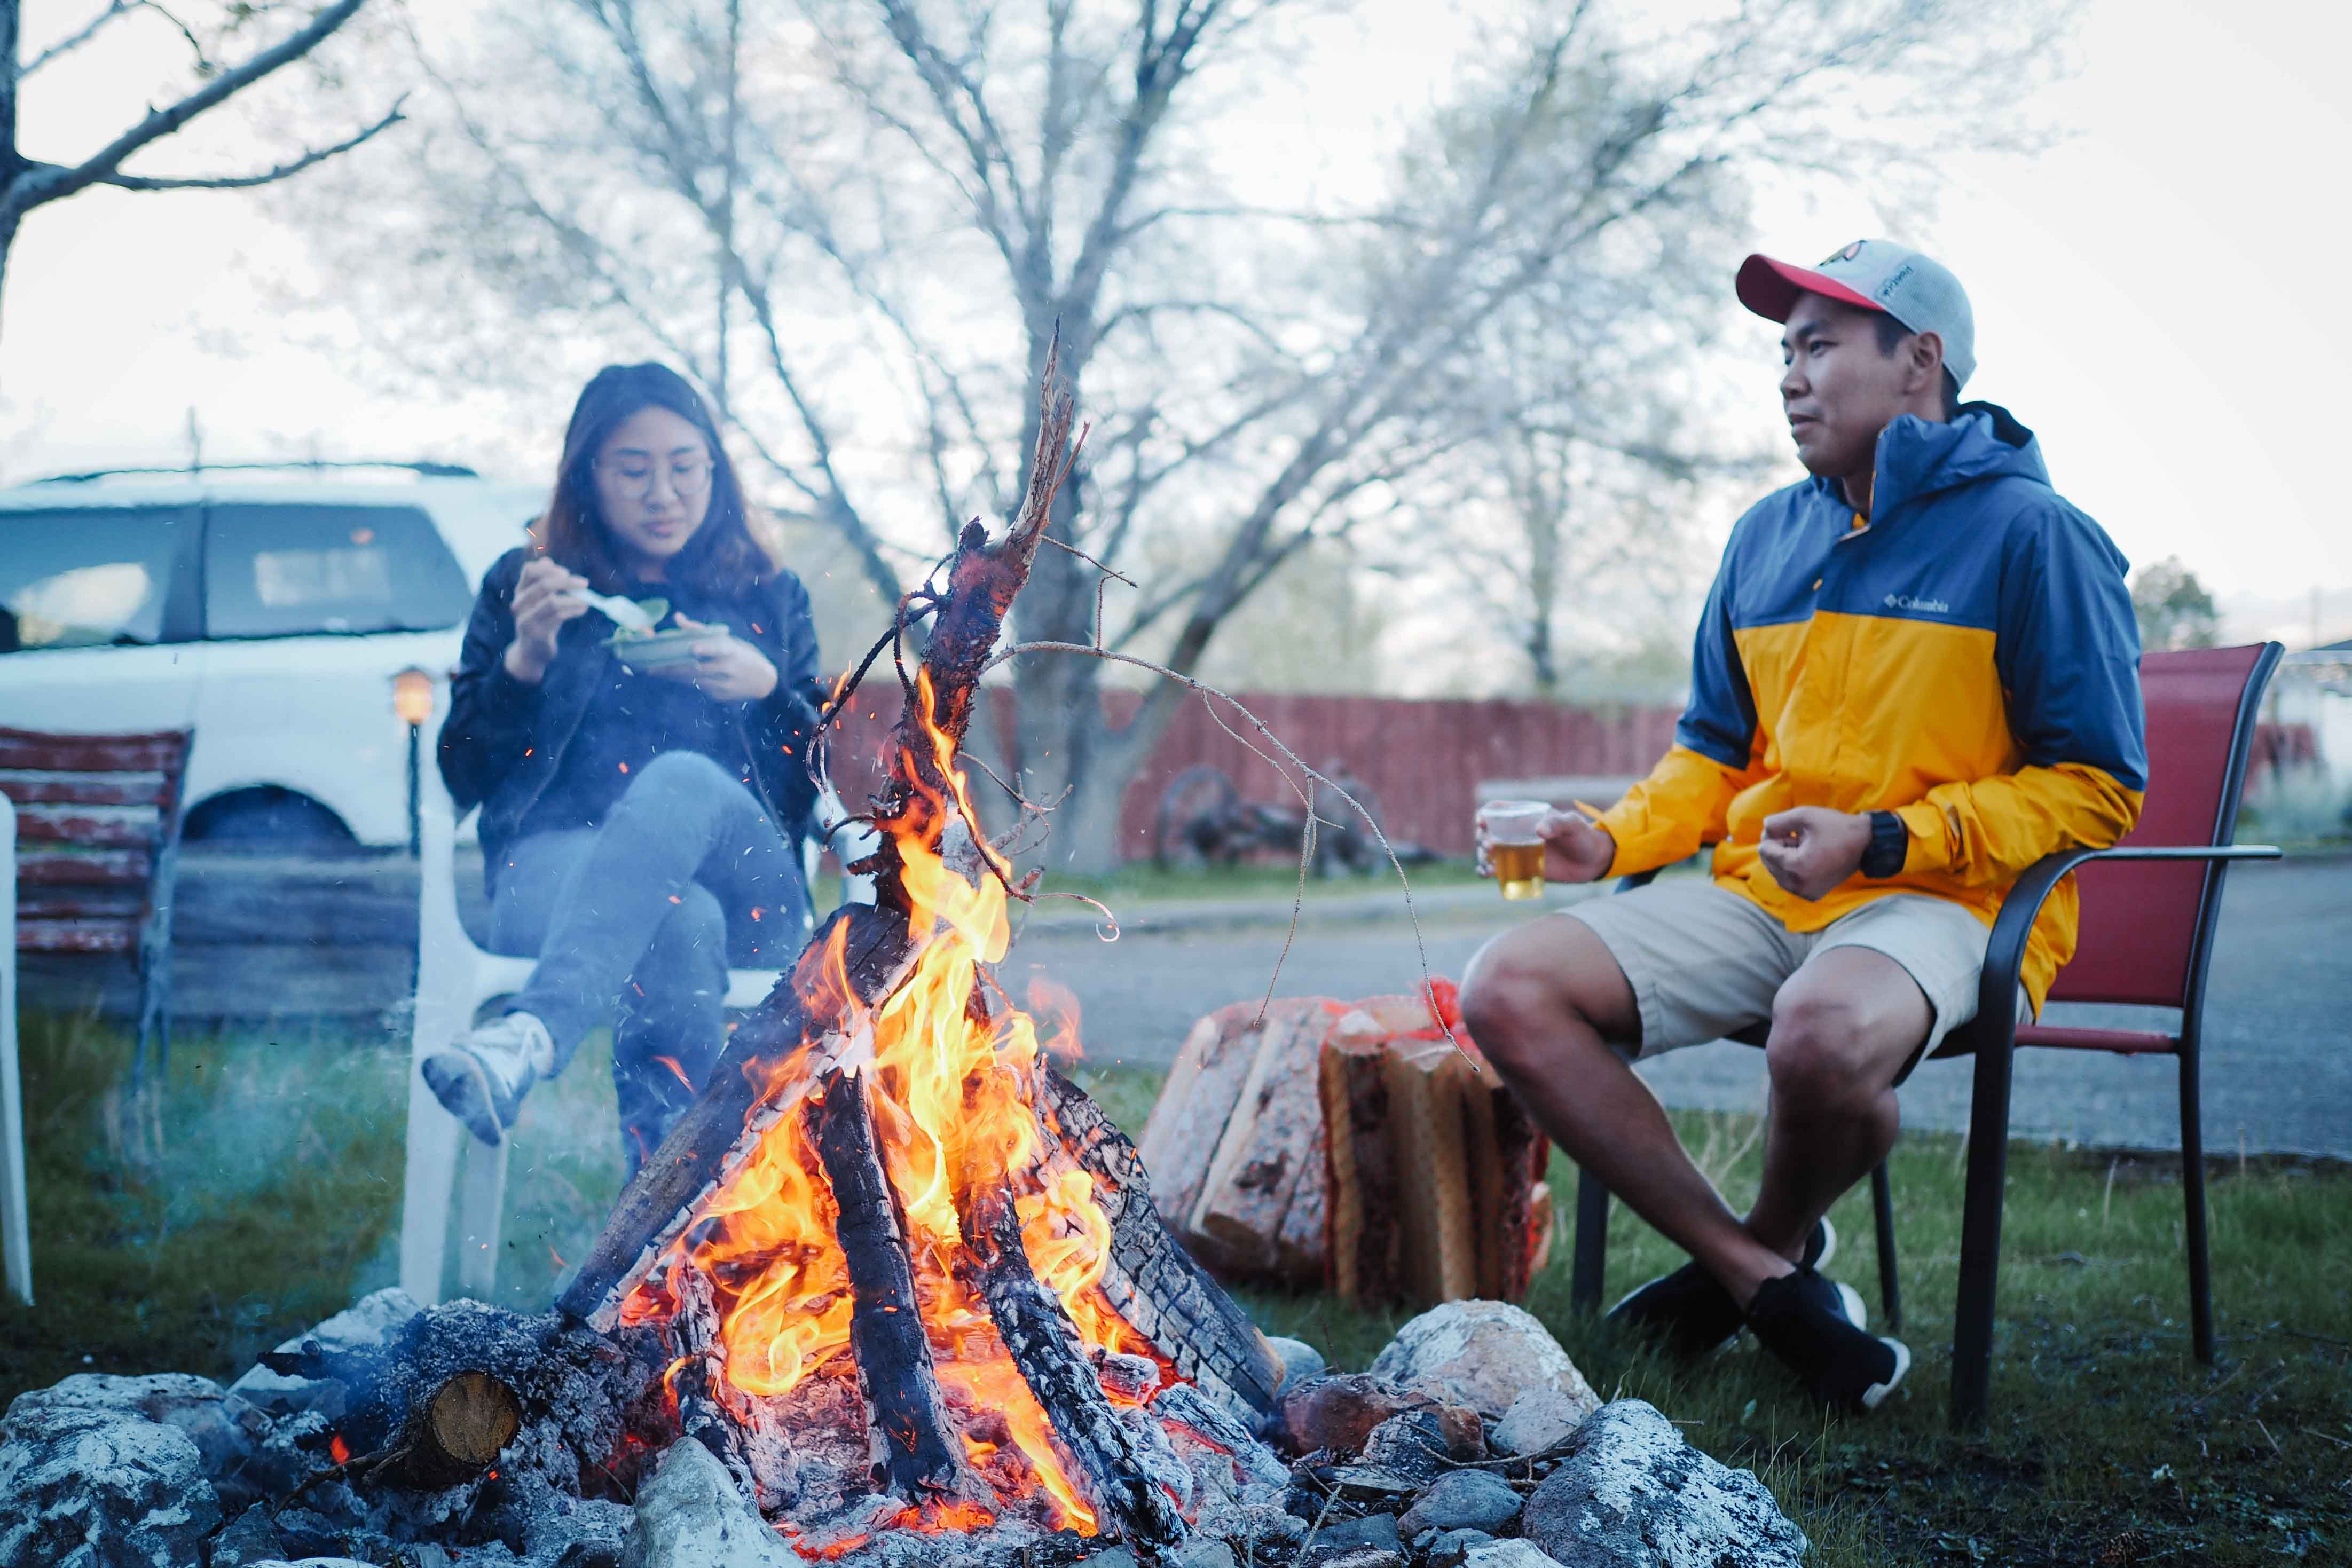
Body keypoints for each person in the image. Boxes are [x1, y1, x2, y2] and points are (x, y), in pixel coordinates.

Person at [1458, 241, 2147, 1412]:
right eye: (1784, 350)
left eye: (1820, 346)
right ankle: (1761, 1275)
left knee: (1819, 1028)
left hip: (1950, 904)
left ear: (1919, 360)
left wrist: (1881, 842)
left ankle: (1749, 1264)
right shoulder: (1763, 537)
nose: (1789, 376)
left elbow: (2095, 785)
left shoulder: (2036, 535)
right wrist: (1611, 839)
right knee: (1506, 982)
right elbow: (1713, 753)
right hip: (1766, 896)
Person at [426, 363, 824, 1176]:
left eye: (684, 467)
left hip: (752, 883)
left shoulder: (770, 594)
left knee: (679, 780)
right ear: (588, 477)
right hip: (556, 870)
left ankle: (529, 1035)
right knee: (678, 923)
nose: (663, 493)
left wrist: (770, 694)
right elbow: (462, 776)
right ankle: (666, 1232)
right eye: (633, 470)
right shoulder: (526, 584)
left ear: (714, 469)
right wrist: (526, 658)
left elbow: (819, 793)